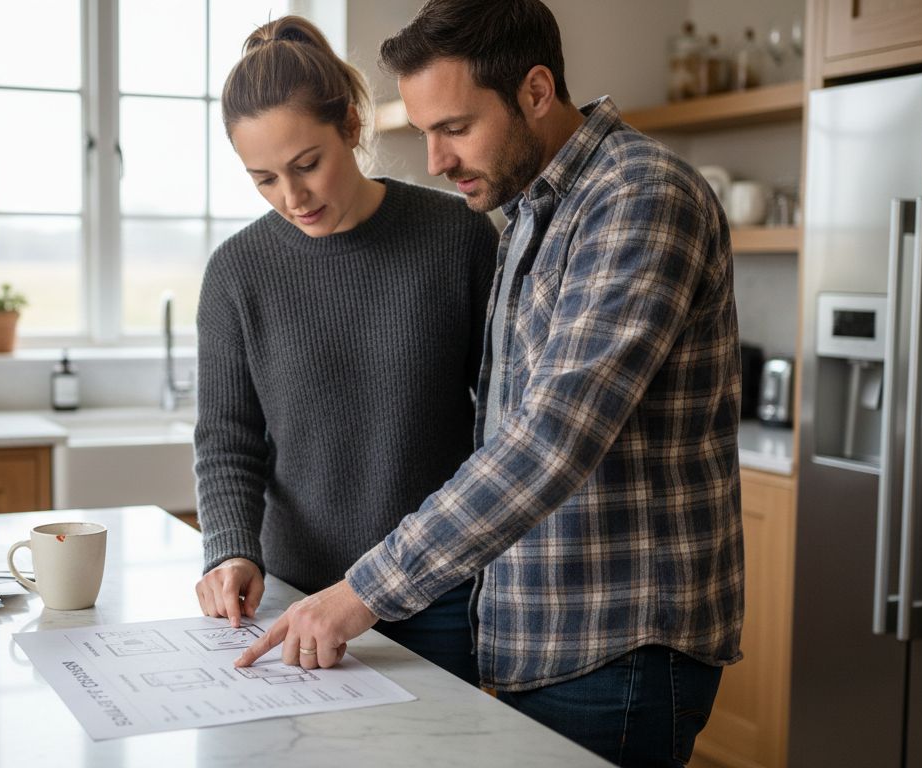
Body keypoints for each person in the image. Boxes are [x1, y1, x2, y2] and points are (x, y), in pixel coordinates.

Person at [235, 1, 745, 765]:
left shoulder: (639, 198)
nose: (435, 159)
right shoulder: (533, 212)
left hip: (618, 645)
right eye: (425, 130)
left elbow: (549, 441)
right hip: (537, 636)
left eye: (455, 128)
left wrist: (360, 592)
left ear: (536, 91)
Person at [192, 15, 498, 687]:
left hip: (435, 594)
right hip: (295, 596)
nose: (292, 198)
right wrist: (231, 550)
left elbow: (502, 424)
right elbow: (226, 439)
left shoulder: (457, 238)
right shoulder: (237, 273)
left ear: (352, 130)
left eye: (308, 166)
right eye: (264, 179)